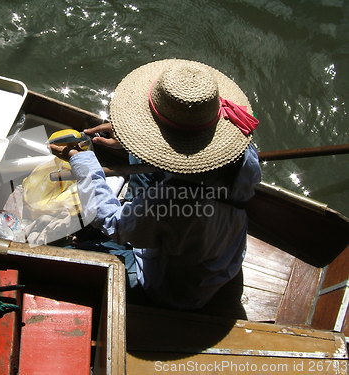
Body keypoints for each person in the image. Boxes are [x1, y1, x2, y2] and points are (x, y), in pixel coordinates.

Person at [49, 59, 261, 316]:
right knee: (138, 160)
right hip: (210, 228)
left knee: (59, 255)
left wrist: (79, 159)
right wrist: (128, 140)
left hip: (173, 286)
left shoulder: (172, 203)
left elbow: (114, 225)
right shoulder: (243, 150)